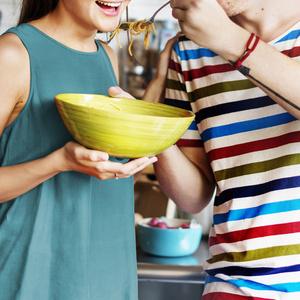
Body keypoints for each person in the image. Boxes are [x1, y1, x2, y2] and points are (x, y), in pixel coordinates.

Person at [111, 0, 300, 299]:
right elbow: (193, 196)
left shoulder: (218, 35)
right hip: (233, 284)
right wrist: (155, 132)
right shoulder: (189, 49)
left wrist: (228, 39)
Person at [0, 1, 159, 299]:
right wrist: (59, 162)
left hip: (108, 273)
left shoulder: (107, 57)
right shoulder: (11, 54)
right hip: (32, 277)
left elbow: (93, 183)